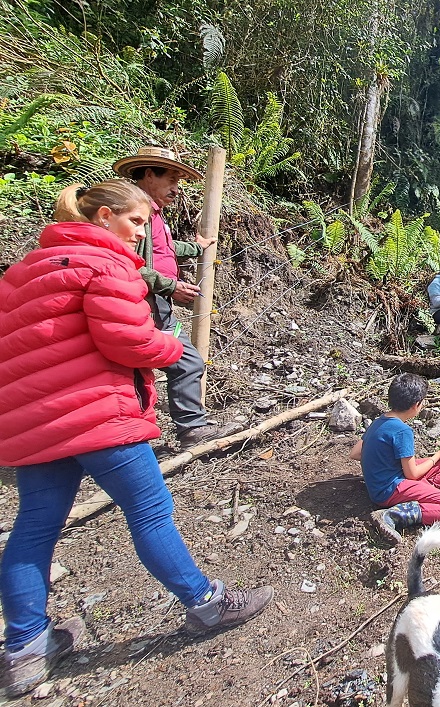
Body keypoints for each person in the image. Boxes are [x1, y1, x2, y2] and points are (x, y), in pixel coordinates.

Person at [0, 182, 274, 697]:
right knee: (149, 511)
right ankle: (206, 604)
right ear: (106, 217)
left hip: (33, 420)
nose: (143, 233)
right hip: (98, 413)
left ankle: (25, 649)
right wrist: (170, 347)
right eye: (137, 222)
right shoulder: (106, 264)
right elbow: (126, 340)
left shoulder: (22, 271)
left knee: (34, 529)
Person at [112, 146, 241, 447]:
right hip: (145, 303)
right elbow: (123, 264)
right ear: (148, 175)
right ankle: (189, 429)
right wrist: (170, 286)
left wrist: (198, 247)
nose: (176, 188)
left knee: (170, 363)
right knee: (184, 361)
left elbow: (160, 252)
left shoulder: (152, 215)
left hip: (156, 302)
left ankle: (164, 429)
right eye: (171, 179)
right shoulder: (133, 216)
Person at [350, 373, 440, 545]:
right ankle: (393, 515)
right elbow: (411, 474)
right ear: (416, 405)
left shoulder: (379, 421)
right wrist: (438, 455)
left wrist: (379, 462)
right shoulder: (403, 431)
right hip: (388, 490)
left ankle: (420, 493)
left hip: (382, 481)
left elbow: (356, 453)